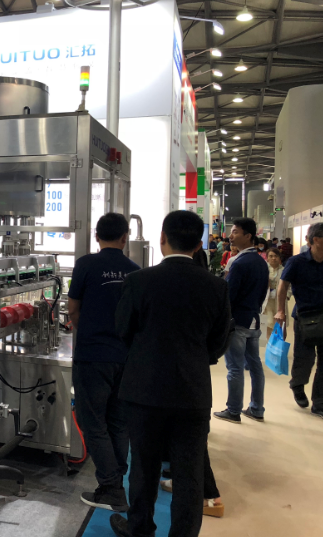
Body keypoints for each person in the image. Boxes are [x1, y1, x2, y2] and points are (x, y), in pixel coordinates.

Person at [109, 211, 231, 537]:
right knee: (189, 472)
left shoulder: (139, 281)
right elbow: (219, 341)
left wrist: (146, 353)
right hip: (192, 391)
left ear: (162, 238)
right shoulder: (216, 287)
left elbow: (123, 329)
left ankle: (139, 529)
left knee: (143, 468)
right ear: (198, 244)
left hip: (144, 389)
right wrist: (194, 358)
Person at [68, 213, 140, 512]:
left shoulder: (86, 264)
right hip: (124, 357)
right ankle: (116, 479)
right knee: (118, 423)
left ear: (96, 236)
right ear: (125, 237)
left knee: (93, 421)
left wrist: (86, 330)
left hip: (93, 356)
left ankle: (111, 488)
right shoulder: (135, 271)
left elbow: (73, 308)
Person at [215, 218, 269, 424]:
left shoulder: (239, 263)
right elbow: (263, 292)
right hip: (253, 320)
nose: (231, 236)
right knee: (255, 365)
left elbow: (229, 295)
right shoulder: (261, 262)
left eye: (235, 232)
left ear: (248, 236)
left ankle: (233, 410)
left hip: (237, 321)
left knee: (235, 367)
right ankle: (257, 408)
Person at [275, 222, 323, 417]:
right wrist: (281, 311)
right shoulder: (297, 262)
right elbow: (282, 286)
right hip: (305, 317)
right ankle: (297, 384)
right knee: (305, 358)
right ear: (316, 240)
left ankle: (319, 402)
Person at [263, 248, 285, 341]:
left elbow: (290, 285)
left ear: (279, 258)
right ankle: (270, 343)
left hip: (280, 301)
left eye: (276, 256)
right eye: (271, 256)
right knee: (269, 322)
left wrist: (287, 295)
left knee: (279, 323)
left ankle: (278, 344)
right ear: (267, 258)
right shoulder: (264, 269)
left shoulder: (284, 270)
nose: (273, 258)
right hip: (267, 300)